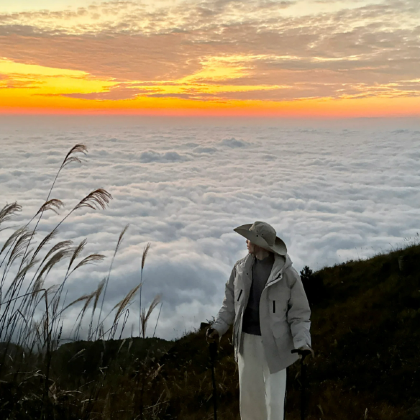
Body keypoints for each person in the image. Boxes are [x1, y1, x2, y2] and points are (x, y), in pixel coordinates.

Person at [206, 221, 313, 420]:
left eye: (250, 239)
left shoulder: (287, 275)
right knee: (250, 398)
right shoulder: (240, 269)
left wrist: (302, 343)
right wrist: (218, 328)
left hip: (277, 344)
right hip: (246, 342)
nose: (246, 242)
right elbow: (230, 305)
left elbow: (299, 314)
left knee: (273, 400)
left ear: (260, 245)